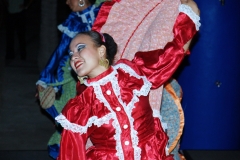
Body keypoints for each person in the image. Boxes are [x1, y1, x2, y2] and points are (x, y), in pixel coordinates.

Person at [55, 1, 200, 159]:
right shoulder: (80, 107)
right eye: (71, 54)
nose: (74, 56)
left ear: (101, 50)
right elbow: (71, 155)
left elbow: (172, 54)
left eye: (80, 48)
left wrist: (189, 15)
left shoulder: (132, 74)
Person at [35, 0, 104, 159]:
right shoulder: (73, 21)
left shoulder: (104, 11)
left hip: (104, 72)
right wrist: (45, 80)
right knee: (69, 112)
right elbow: (60, 52)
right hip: (75, 78)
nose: (66, 2)